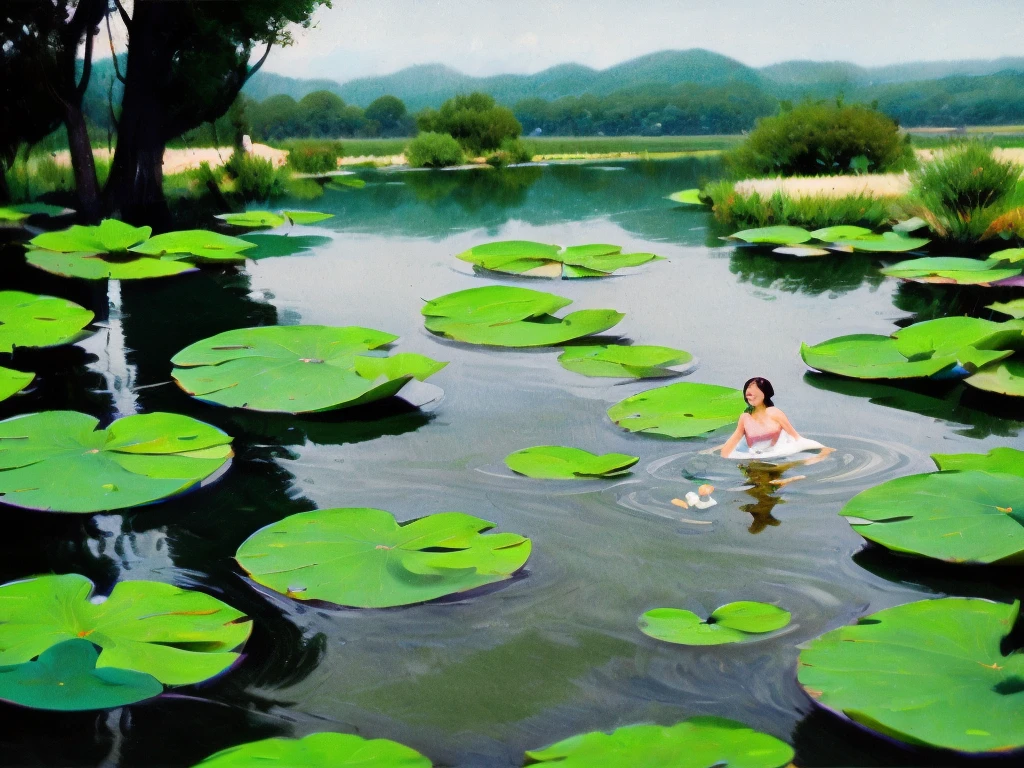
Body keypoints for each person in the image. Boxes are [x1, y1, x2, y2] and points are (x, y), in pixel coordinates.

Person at [714, 377, 833, 475]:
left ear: (765, 394)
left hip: (777, 457)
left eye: (755, 391)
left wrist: (821, 452)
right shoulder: (745, 417)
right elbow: (735, 438)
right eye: (748, 392)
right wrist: (723, 458)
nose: (750, 395)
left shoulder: (774, 413)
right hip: (752, 459)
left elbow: (796, 437)